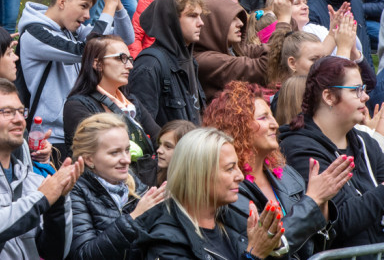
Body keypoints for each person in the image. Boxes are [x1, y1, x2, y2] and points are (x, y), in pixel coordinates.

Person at [204, 81, 350, 260]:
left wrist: (323, 204)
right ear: (237, 126)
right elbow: (267, 247)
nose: (275, 124)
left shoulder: (286, 174)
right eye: (263, 118)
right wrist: (313, 200)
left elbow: (317, 245)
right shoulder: (229, 185)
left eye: (272, 116)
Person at [0, 77, 82, 259]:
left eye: (21, 112)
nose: (19, 120)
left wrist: (59, 203)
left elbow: (56, 253)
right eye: (7, 112)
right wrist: (42, 199)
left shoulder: (34, 180)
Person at [17, 0, 133, 156]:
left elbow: (124, 40)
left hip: (82, 127)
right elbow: (82, 51)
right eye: (83, 6)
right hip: (53, 137)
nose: (87, 16)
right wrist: (107, 6)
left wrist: (116, 3)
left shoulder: (73, 31)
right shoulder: (34, 33)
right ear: (62, 1)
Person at [278, 56, 384, 252]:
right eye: (355, 91)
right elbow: (341, 221)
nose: (366, 97)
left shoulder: (366, 143)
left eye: (364, 89)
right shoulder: (300, 149)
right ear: (328, 97)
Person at [134, 127, 285, 260]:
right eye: (230, 168)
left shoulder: (232, 219)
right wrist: (254, 255)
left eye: (237, 166)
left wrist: (273, 246)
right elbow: (253, 253)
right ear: (199, 175)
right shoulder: (166, 243)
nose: (240, 176)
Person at [65, 113, 166, 260]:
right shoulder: (74, 191)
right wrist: (134, 218)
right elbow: (84, 254)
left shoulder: (133, 183)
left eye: (127, 150)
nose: (126, 160)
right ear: (89, 159)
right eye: (114, 153)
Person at [63, 35, 159, 178]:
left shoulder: (132, 101)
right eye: (121, 58)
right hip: (102, 192)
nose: (130, 66)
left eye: (130, 59)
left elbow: (160, 139)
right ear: (97, 64)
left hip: (142, 183)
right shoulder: (77, 106)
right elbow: (96, 158)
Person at [128, 0, 207, 125]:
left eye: (200, 15)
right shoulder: (149, 65)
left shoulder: (189, 60)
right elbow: (143, 126)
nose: (201, 22)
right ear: (172, 20)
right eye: (192, 16)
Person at [194, 0, 266, 101]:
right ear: (214, 23)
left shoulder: (232, 49)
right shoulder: (205, 60)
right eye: (232, 19)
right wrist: (283, 20)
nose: (241, 23)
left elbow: (273, 50)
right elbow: (263, 68)